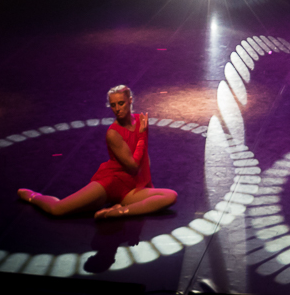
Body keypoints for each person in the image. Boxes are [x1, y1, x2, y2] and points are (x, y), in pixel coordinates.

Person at [17, 85, 178, 219]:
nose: (117, 109)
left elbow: (144, 158)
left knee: (170, 196)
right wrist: (142, 136)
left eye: (121, 103)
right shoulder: (113, 133)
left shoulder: (140, 121)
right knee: (58, 209)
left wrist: (146, 183)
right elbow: (134, 166)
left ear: (130, 101)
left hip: (132, 187)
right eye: (113, 105)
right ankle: (33, 197)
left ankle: (117, 212)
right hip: (111, 183)